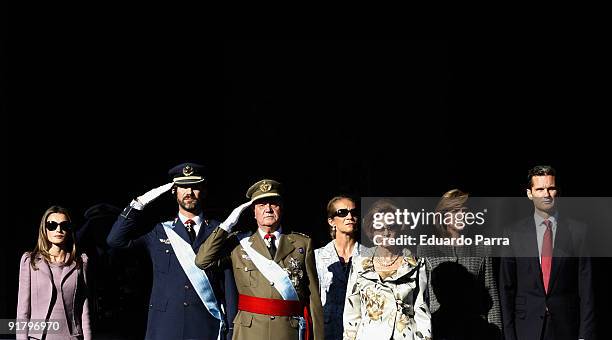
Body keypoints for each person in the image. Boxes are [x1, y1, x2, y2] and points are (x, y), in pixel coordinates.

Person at [106, 162, 237, 340]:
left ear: (204, 190)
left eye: (194, 187)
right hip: (166, 325)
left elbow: (228, 283)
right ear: (173, 190)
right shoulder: (158, 230)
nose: (188, 193)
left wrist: (231, 329)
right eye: (183, 187)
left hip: (206, 324)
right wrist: (140, 202)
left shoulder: (219, 231)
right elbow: (115, 240)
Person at [195, 179, 324, 340]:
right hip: (250, 331)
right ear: (253, 211)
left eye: (273, 204)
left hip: (288, 331)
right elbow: (202, 261)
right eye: (261, 205)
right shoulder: (239, 244)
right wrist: (226, 225)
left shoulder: (302, 243)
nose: (268, 209)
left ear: (281, 208)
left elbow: (313, 298)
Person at [499, 165, 595, 340]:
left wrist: (585, 335)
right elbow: (506, 288)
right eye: (540, 189)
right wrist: (509, 335)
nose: (546, 194)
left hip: (566, 327)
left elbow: (587, 288)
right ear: (530, 193)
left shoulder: (578, 232)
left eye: (551, 188)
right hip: (525, 328)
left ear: (558, 191)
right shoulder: (513, 233)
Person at [417, 189, 501, 339]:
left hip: (474, 330)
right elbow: (422, 298)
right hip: (439, 329)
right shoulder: (426, 248)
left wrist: (496, 333)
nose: (462, 216)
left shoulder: (482, 247)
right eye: (455, 211)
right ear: (443, 215)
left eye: (465, 211)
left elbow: (491, 294)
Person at [343, 199, 431, 340]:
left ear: (400, 228)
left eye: (391, 226)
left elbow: (421, 310)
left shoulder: (416, 263)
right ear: (371, 230)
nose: (385, 232)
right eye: (379, 227)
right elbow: (351, 313)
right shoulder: (359, 263)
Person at [17, 205, 91, 340]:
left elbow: (84, 309)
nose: (58, 229)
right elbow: (23, 311)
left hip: (72, 337)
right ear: (44, 229)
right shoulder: (30, 261)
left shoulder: (80, 263)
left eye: (64, 225)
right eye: (52, 225)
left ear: (69, 229)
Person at [314, 195, 362, 340]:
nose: (349, 217)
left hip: (361, 330)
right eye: (342, 213)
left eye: (353, 213)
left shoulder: (370, 257)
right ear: (331, 221)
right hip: (327, 330)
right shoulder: (317, 257)